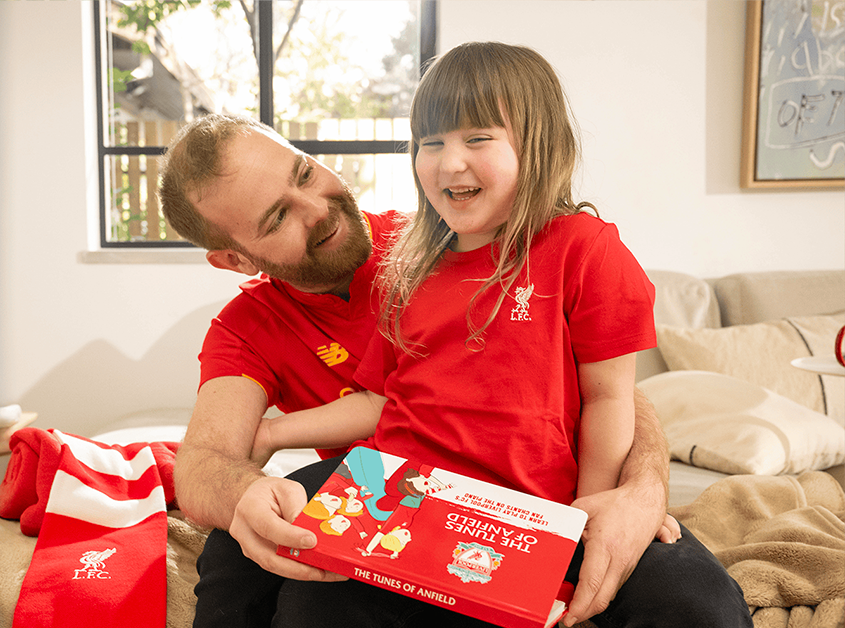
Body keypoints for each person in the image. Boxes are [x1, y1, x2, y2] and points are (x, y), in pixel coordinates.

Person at [244, 42, 750, 626]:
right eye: (431, 142)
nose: (449, 163)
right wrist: (272, 433)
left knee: (701, 606)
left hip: (537, 510)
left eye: (477, 138)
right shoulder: (407, 267)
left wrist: (585, 516)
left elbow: (609, 398)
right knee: (308, 601)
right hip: (409, 505)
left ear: (537, 146)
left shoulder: (585, 250)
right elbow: (381, 400)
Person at [155, 99, 695, 627]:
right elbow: (202, 464)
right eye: (277, 218)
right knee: (245, 551)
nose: (316, 209)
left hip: (552, 490)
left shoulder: (450, 240)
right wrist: (246, 491)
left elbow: (605, 385)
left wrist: (641, 490)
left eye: (305, 173)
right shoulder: (247, 329)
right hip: (399, 509)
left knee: (694, 604)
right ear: (235, 259)